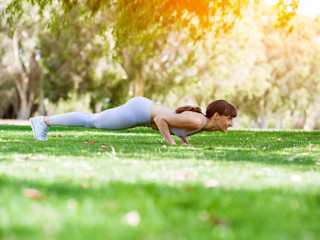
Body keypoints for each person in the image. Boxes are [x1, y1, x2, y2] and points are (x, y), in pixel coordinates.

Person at [30, 97, 237, 145]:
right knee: (93, 121)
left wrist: (184, 141)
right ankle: (43, 121)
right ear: (216, 116)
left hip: (142, 110)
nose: (231, 124)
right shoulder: (197, 121)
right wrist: (171, 143)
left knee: (93, 120)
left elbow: (177, 125)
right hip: (140, 111)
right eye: (229, 119)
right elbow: (161, 119)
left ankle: (44, 122)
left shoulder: (201, 123)